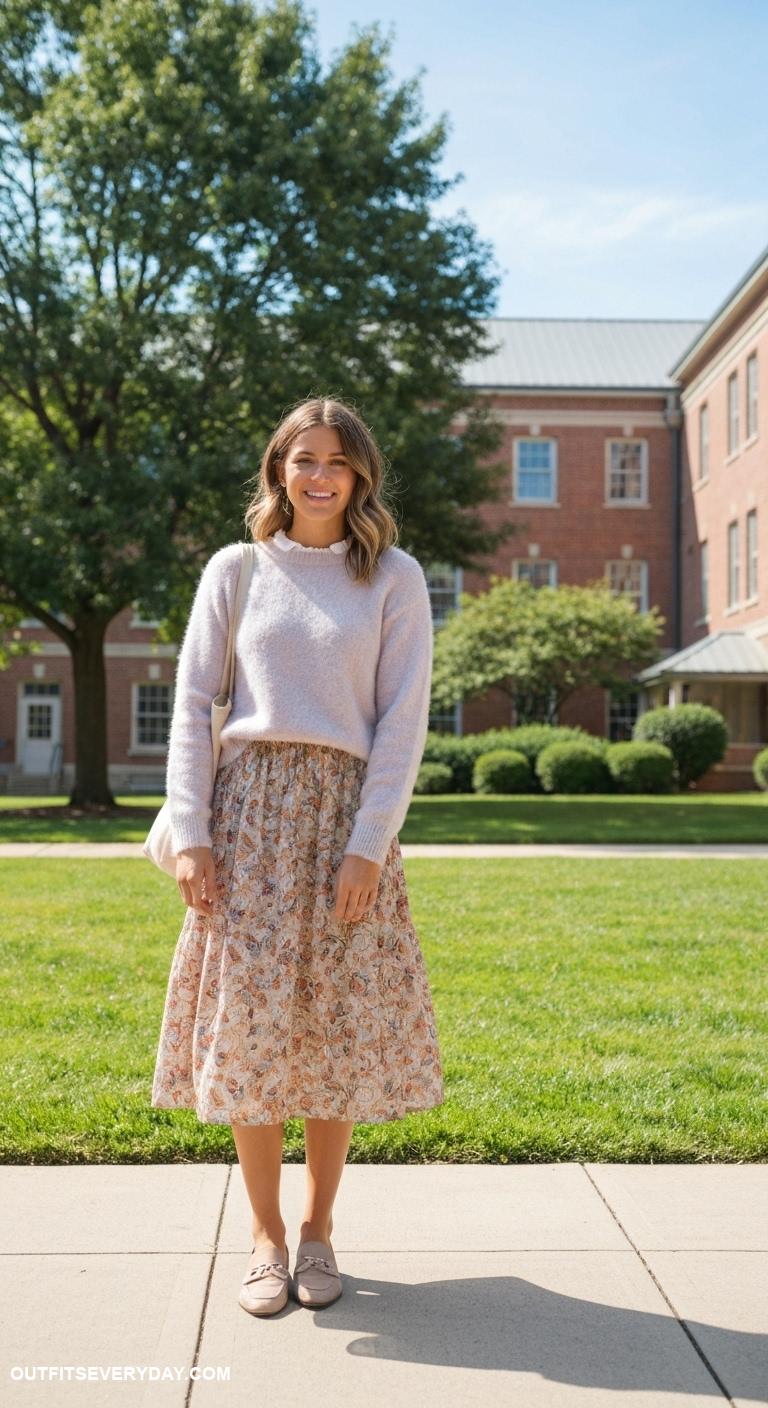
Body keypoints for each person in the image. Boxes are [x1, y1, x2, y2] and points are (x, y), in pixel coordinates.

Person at [151, 395, 444, 1317]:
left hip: (342, 822)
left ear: (360, 476)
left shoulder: (393, 577)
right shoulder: (236, 570)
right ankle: (265, 1238)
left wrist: (370, 845)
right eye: (302, 459)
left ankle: (319, 1232)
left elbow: (403, 720)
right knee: (250, 1032)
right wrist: (191, 834)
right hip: (248, 823)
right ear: (278, 468)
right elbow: (195, 704)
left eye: (337, 462)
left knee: (335, 1030)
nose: (319, 476)